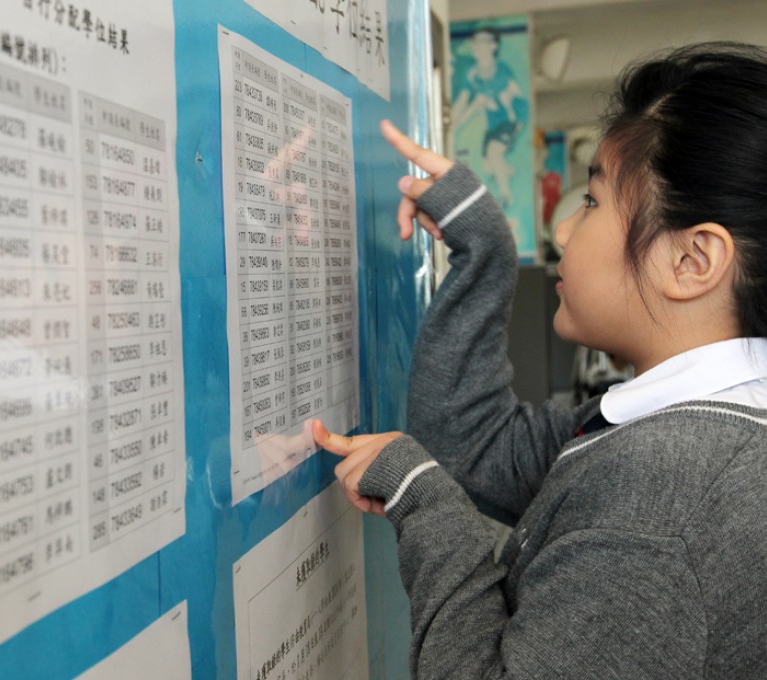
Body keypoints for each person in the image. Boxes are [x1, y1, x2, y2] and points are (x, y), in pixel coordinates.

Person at [314, 42, 767, 678]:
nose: (562, 233)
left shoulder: (666, 501)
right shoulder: (695, 430)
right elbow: (475, 447)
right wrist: (484, 252)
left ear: (691, 262)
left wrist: (432, 513)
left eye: (593, 202)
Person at [450, 27, 528, 206]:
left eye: (482, 42)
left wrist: (454, 127)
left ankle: (505, 194)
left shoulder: (500, 70)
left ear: (493, 46)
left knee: (494, 150)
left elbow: (475, 104)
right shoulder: (471, 73)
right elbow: (462, 101)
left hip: (512, 120)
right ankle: (506, 170)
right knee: (488, 166)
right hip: (492, 126)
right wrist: (448, 126)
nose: (476, 46)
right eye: (474, 41)